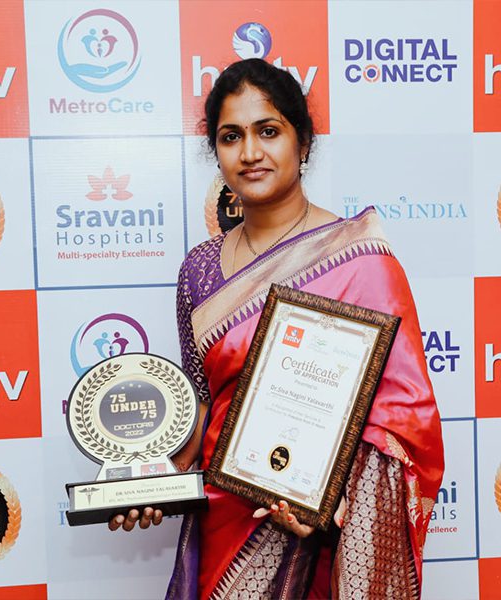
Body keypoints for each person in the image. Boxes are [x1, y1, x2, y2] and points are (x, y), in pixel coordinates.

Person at [109, 58, 444, 599]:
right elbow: (200, 406)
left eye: (268, 131)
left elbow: (404, 421)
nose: (250, 152)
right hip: (223, 521)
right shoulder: (199, 269)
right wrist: (149, 480)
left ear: (302, 142)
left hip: (324, 537)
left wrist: (329, 500)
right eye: (231, 136)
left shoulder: (362, 261)